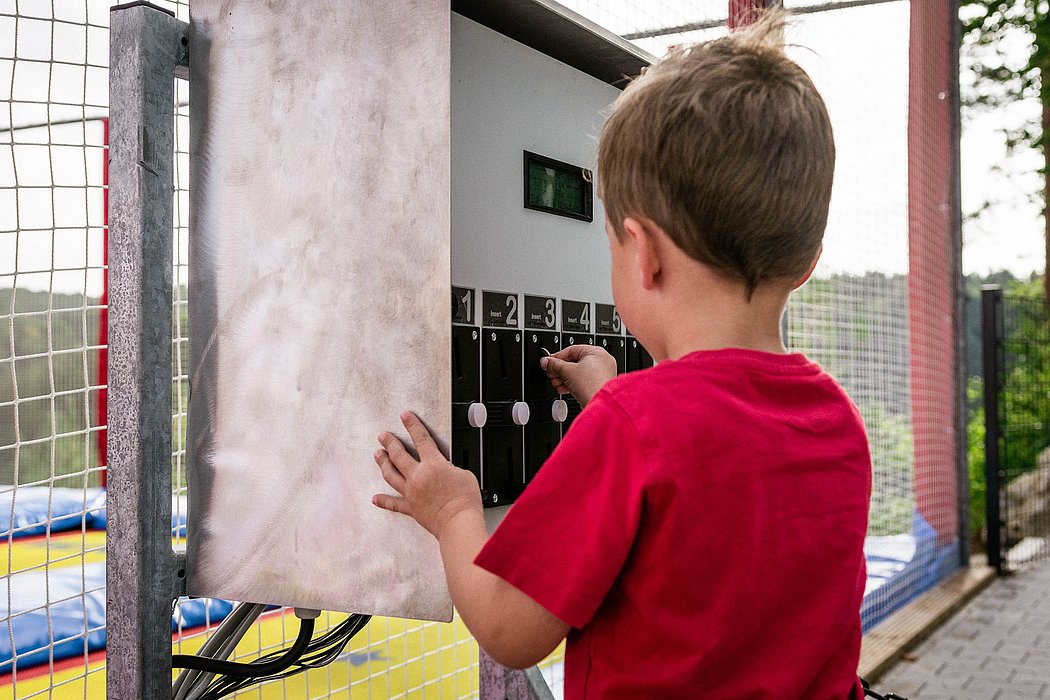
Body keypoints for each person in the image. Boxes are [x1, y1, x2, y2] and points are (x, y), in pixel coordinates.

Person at [371, 10, 871, 699]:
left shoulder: (637, 426)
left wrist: (454, 510)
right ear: (808, 262)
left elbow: (512, 630)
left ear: (643, 253)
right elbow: (708, 478)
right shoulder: (834, 417)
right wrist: (612, 399)